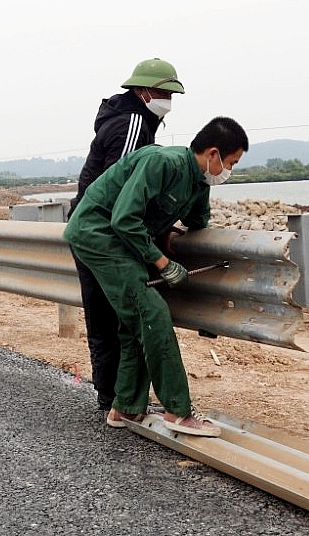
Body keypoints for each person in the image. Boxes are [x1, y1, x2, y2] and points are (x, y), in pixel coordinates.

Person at [63, 117, 249, 437]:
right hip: (99, 235)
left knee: (136, 320)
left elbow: (197, 221)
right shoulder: (163, 162)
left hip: (122, 240)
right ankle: (178, 411)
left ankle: (126, 406)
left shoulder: (198, 181)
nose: (229, 171)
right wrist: (162, 262)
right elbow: (123, 219)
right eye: (231, 163)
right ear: (213, 154)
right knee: (153, 313)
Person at [71, 57, 185, 412]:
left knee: (105, 316)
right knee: (115, 317)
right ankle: (115, 398)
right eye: (164, 92)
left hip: (94, 231)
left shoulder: (131, 119)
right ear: (143, 91)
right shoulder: (133, 123)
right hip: (103, 236)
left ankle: (114, 397)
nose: (168, 100)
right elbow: (119, 189)